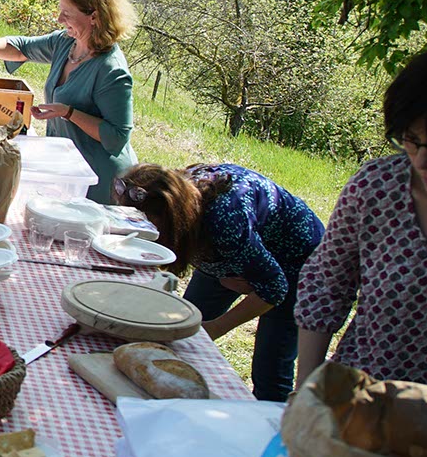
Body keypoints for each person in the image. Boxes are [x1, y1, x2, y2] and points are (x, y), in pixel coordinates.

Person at [115, 163, 323, 402]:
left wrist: (216, 327)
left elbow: (275, 287)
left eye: (152, 228)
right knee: (177, 332)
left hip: (298, 260)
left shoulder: (223, 223)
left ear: (173, 218)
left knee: (270, 369)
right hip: (236, 252)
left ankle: (275, 430)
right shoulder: (183, 208)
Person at [296, 49, 427, 389]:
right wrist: (305, 389)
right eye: (411, 139)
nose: (422, 160)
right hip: (359, 402)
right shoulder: (376, 187)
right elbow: (325, 285)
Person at [0, 0, 137, 203]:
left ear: (94, 17)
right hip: (67, 171)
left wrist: (69, 113)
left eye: (67, 13)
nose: (59, 19)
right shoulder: (66, 42)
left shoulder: (111, 71)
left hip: (99, 184)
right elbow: (21, 47)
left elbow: (117, 137)